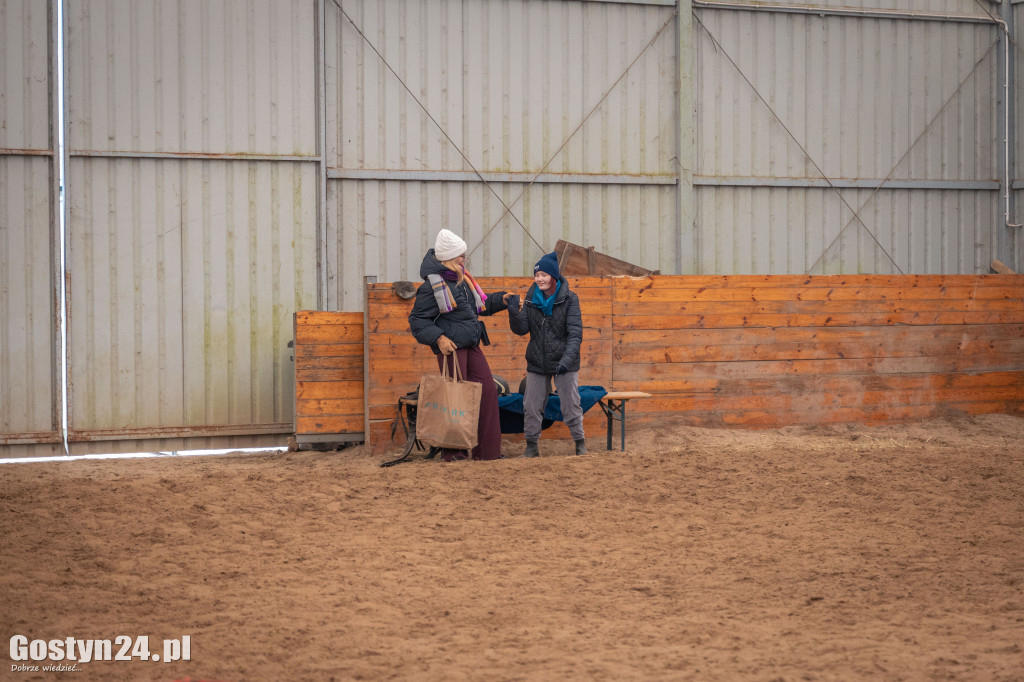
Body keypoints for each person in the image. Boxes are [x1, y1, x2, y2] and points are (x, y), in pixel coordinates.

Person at [408, 229, 513, 461]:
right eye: (461, 255)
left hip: (471, 344)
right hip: (451, 349)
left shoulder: (461, 280)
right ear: (448, 257)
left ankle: (486, 452)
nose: (464, 259)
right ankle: (453, 453)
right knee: (454, 401)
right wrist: (439, 338)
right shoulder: (431, 286)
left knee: (486, 394)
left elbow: (476, 308)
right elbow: (417, 320)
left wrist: (501, 299)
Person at [507, 251, 586, 457]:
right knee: (531, 405)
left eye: (543, 275)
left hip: (564, 362)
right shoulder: (532, 298)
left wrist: (566, 362)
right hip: (537, 360)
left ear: (553, 276)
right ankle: (531, 447)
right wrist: (514, 314)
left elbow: (575, 334)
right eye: (536, 275)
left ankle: (580, 443)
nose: (539, 279)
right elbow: (522, 329)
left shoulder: (570, 299)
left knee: (570, 403)